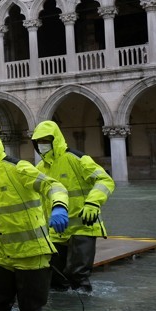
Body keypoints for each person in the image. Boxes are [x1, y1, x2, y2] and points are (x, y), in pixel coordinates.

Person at [0, 124, 69, 311]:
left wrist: (59, 206)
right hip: (5, 256)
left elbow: (53, 185)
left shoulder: (17, 168)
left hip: (32, 255)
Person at [31, 120, 115, 292]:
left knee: (76, 274)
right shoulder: (40, 167)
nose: (42, 145)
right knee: (55, 276)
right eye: (38, 141)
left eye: (46, 140)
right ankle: (63, 310)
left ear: (55, 139)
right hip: (57, 228)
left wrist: (93, 202)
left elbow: (105, 180)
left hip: (83, 225)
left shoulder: (76, 158)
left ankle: (85, 309)